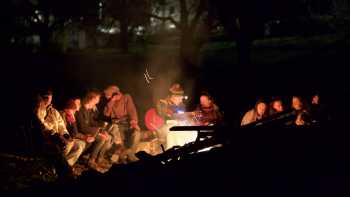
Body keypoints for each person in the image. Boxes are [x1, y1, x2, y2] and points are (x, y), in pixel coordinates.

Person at [35, 90, 86, 169]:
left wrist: (66, 135)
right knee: (66, 144)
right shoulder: (38, 110)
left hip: (57, 136)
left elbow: (61, 125)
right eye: (46, 98)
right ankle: (57, 166)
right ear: (41, 98)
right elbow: (42, 126)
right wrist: (56, 134)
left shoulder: (54, 112)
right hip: (47, 138)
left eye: (50, 98)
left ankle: (66, 165)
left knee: (78, 145)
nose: (48, 101)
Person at [76, 91, 112, 169]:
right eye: (97, 98)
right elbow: (82, 128)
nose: (98, 100)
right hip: (82, 133)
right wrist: (98, 131)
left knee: (107, 137)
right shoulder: (81, 110)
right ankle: (91, 160)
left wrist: (101, 127)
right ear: (92, 99)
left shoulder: (88, 110)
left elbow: (92, 122)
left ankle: (99, 159)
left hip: (89, 131)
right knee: (101, 138)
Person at [104, 86, 140, 162]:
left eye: (109, 96)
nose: (107, 98)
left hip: (128, 122)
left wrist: (134, 121)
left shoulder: (126, 97)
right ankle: (125, 157)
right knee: (121, 142)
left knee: (137, 133)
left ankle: (130, 155)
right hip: (117, 125)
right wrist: (112, 101)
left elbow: (131, 109)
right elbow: (107, 113)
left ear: (115, 93)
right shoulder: (111, 102)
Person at [155, 83, 189, 149]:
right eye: (179, 98)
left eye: (181, 97)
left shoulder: (181, 105)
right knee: (174, 132)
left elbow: (183, 118)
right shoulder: (162, 103)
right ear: (172, 96)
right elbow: (163, 115)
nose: (181, 100)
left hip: (178, 128)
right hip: (163, 128)